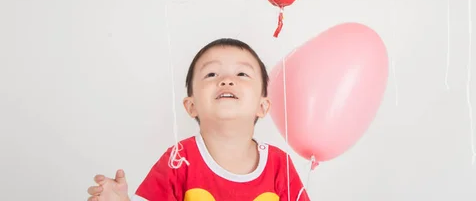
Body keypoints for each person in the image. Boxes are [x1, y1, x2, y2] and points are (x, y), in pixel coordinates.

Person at [87, 38, 310, 201]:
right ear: (191, 106)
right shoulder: (178, 161)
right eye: (211, 74)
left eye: (242, 74)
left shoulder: (279, 165)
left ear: (262, 106)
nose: (227, 80)